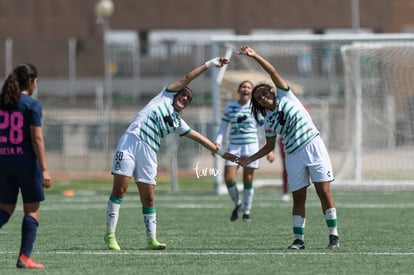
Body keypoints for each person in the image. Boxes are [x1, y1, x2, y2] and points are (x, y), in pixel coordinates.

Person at [104, 57, 236, 251]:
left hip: (149, 153)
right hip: (130, 143)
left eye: (188, 99)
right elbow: (187, 77)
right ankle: (110, 235)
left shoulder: (177, 122)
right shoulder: (164, 96)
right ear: (175, 94)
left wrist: (222, 153)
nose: (185, 99)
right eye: (183, 95)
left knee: (148, 198)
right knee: (120, 191)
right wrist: (210, 64)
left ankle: (151, 240)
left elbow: (199, 137)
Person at [237, 45, 339, 249]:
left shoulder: (286, 96)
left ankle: (333, 235)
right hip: (293, 155)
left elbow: (272, 71)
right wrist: (250, 158)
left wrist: (255, 55)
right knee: (298, 196)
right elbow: (269, 146)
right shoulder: (268, 121)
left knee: (323, 192)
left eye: (265, 93)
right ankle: (299, 240)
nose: (263, 97)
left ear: (272, 91)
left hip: (313, 146)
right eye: (259, 98)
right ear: (258, 103)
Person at [0, 64, 52, 269]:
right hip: (26, 164)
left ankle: (24, 257)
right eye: (36, 81)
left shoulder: (3, 102)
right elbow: (36, 138)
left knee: (5, 208)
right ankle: (24, 257)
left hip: (3, 160)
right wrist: (45, 168)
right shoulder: (32, 105)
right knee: (31, 210)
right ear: (30, 82)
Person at [215, 80, 274, 222]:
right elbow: (223, 126)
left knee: (248, 179)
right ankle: (238, 204)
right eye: (243, 86)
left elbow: (262, 128)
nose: (245, 89)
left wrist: (268, 149)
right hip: (234, 146)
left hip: (251, 147)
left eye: (248, 87)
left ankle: (247, 211)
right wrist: (217, 141)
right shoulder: (230, 107)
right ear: (239, 90)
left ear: (252, 92)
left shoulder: (256, 107)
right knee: (228, 178)